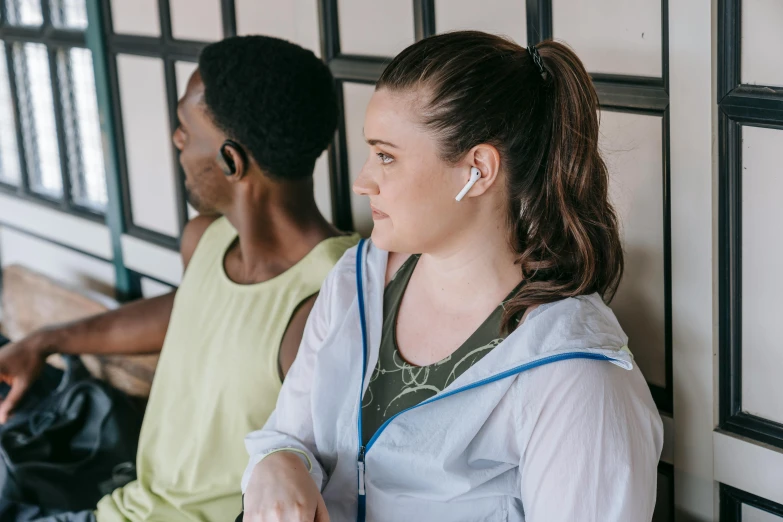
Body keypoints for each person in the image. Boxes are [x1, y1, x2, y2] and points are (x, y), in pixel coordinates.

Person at [240, 32, 663, 522]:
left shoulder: (578, 378)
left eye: (386, 156)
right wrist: (278, 463)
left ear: (477, 171)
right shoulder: (356, 281)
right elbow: (287, 436)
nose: (363, 180)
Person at [0, 35, 358, 521]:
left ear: (232, 161)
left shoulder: (329, 298)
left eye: (185, 128)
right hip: (119, 508)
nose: (176, 140)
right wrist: (46, 340)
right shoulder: (206, 240)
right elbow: (189, 311)